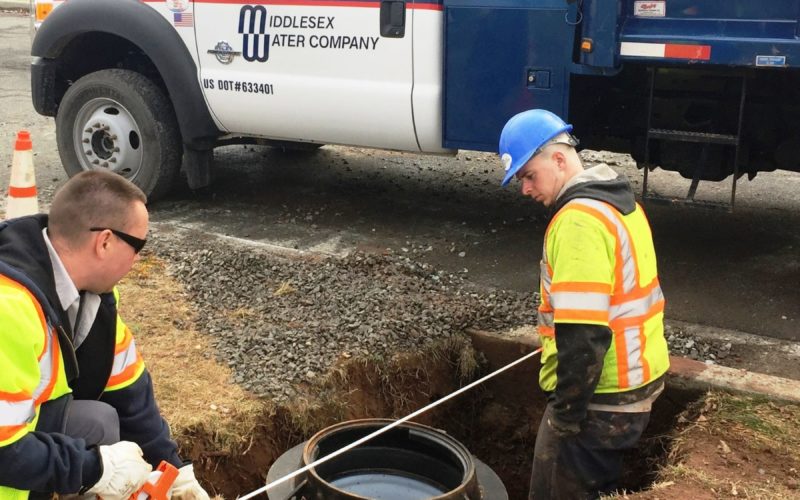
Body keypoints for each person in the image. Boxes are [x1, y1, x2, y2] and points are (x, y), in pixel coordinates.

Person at [0, 170, 210, 500]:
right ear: (106, 241)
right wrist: (94, 470)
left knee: (98, 422)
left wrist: (173, 469)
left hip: (19, 435)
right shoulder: (9, 308)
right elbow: (4, 452)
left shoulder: (92, 300)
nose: (139, 259)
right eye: (138, 245)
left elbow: (131, 397)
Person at [498, 109, 670, 499]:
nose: (525, 189)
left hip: (599, 398)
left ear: (559, 158)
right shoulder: (620, 204)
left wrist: (565, 415)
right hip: (635, 385)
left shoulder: (579, 221)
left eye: (528, 175)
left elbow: (584, 331)